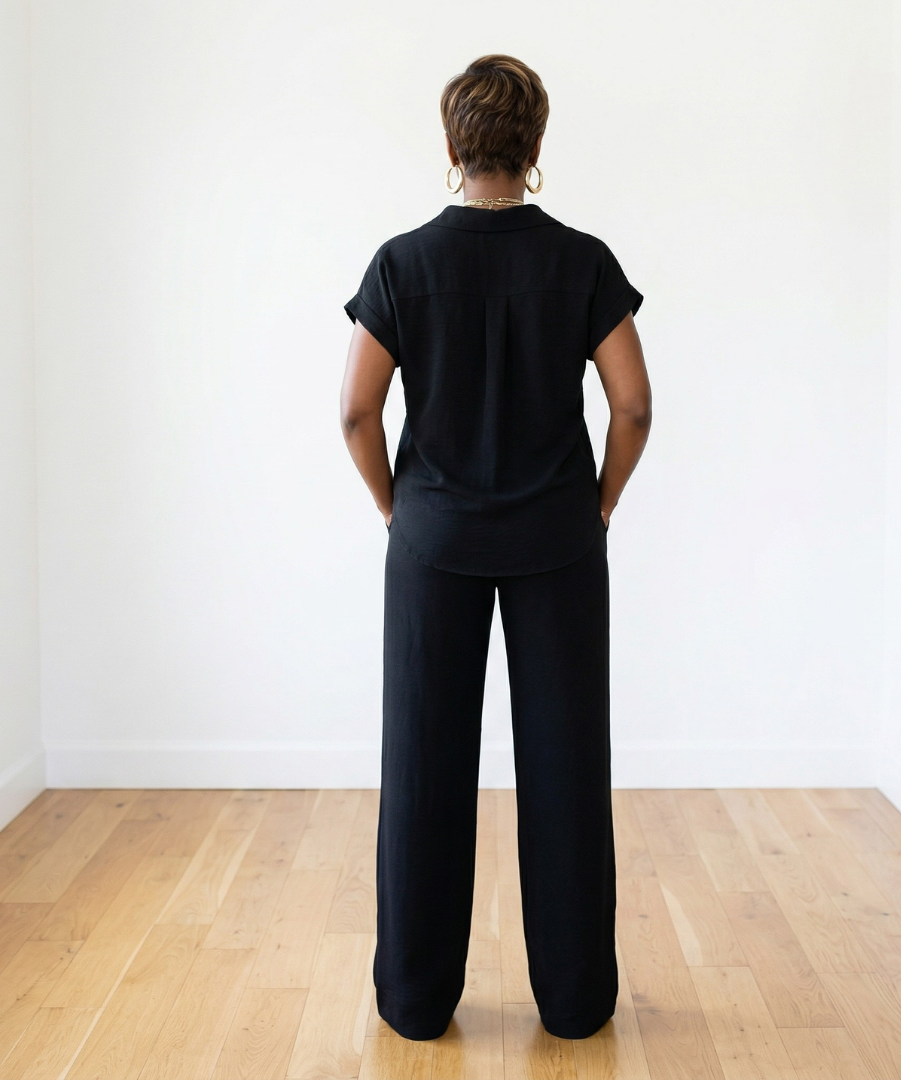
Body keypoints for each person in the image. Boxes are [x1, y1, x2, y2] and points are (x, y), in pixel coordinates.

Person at [340, 53, 651, 1042]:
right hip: (558, 539)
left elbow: (355, 412)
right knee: (566, 765)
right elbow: (634, 406)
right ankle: (574, 1003)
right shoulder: (583, 262)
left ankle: (417, 1003)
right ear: (536, 147)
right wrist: (595, 509)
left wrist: (402, 513)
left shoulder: (401, 265)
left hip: (433, 538)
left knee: (425, 767)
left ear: (451, 146)